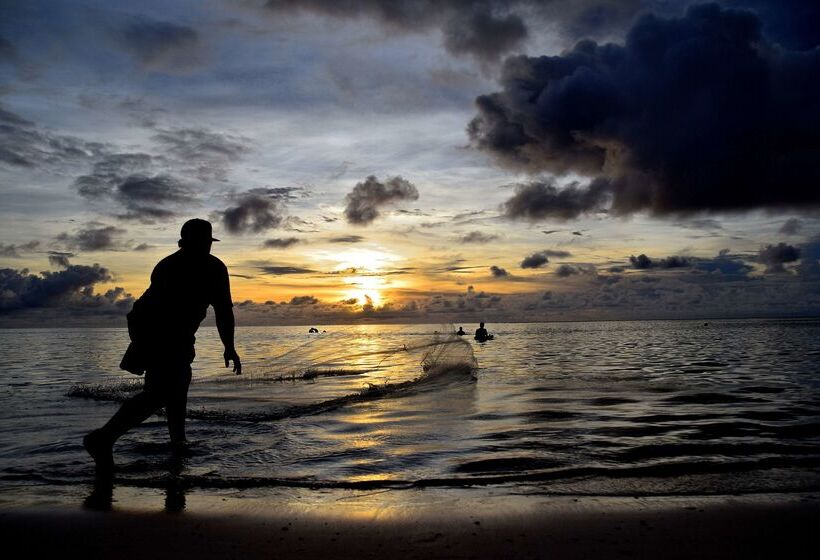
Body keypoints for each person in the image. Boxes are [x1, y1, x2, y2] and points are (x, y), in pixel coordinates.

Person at [83, 219, 241, 472]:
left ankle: (177, 443)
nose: (206, 247)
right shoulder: (180, 267)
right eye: (202, 242)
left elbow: (223, 311)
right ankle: (103, 438)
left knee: (177, 385)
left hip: (168, 330)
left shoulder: (209, 266)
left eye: (207, 243)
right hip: (155, 329)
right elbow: (214, 311)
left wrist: (229, 346)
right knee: (160, 392)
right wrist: (227, 346)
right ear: (187, 242)